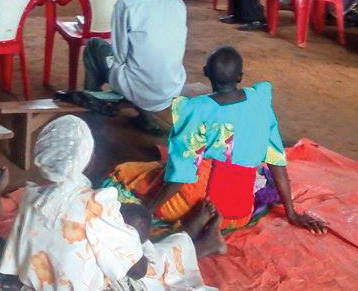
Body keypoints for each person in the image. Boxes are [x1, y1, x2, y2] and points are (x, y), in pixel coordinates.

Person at [104, 47, 328, 236]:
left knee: (126, 173)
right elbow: (277, 160)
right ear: (240, 75)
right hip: (240, 212)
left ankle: (192, 229)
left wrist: (148, 210)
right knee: (162, 169)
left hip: (204, 207)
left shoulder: (198, 110)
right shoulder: (259, 102)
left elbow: (182, 173)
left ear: (205, 73)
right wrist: (292, 213)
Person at [1, 115, 219, 290]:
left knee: (142, 253)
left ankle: (192, 238)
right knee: (151, 268)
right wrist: (138, 246)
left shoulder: (30, 199)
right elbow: (137, 269)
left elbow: (15, 265)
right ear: (89, 159)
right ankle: (196, 243)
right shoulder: (96, 205)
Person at [81, 0, 186, 132]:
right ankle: (146, 119)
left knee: (94, 46)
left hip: (138, 87)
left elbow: (120, 54)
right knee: (145, 64)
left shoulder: (126, 3)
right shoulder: (176, 1)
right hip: (171, 86)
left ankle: (92, 110)